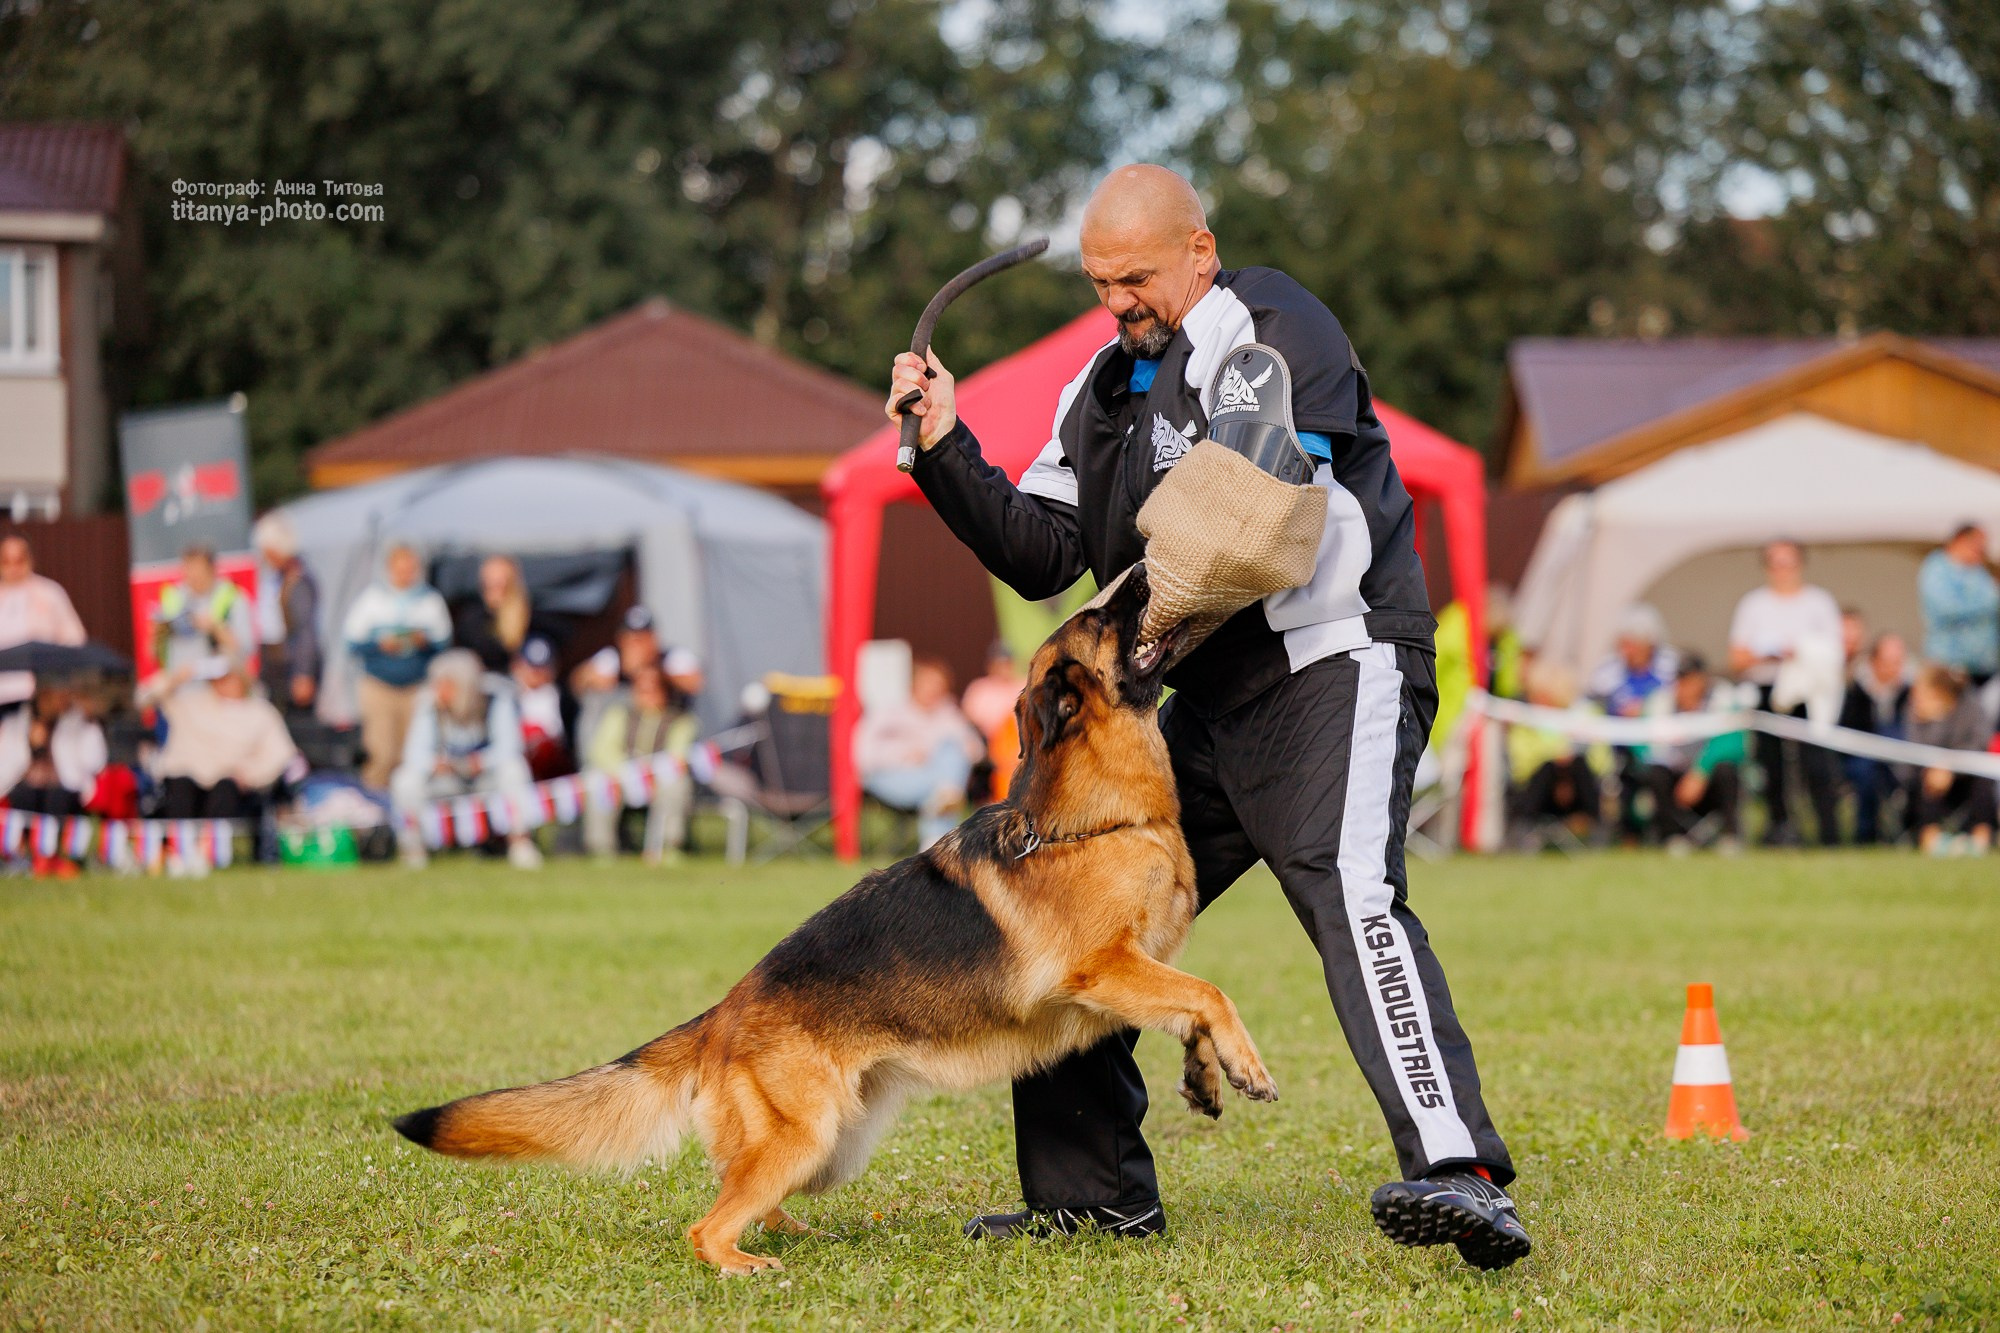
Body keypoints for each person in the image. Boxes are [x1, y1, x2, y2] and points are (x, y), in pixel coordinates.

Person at [887, 164, 1527, 1265]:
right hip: (1202, 702)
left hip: (1333, 662)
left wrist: (1125, 628)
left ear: (1199, 249)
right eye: (1098, 283)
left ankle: (1459, 1172)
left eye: (1134, 277)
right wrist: (945, 446)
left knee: (1349, 893)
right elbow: (1039, 553)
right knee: (1073, 904)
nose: (1116, 302)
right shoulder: (1097, 390)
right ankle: (1092, 1196)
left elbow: (1254, 512)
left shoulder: (1271, 326)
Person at [1728, 539, 1843, 846]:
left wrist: (1802, 653)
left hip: (1809, 693)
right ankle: (1779, 828)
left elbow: (1834, 653)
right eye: (1776, 563)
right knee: (1771, 765)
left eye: (1788, 562)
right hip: (1767, 690)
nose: (1782, 570)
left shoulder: (1819, 602)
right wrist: (1770, 653)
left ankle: (1828, 833)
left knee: (1816, 764)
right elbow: (1737, 657)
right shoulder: (1753, 605)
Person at [391, 649, 539, 870]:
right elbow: (414, 755)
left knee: (515, 769)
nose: (440, 691)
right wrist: (436, 764)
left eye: (446, 685)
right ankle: (413, 850)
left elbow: (510, 748)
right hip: (447, 781)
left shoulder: (495, 697)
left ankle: (520, 843)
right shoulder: (429, 702)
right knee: (404, 780)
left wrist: (481, 762)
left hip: (486, 778)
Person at [343, 543, 452, 790]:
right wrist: (379, 644)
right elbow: (352, 643)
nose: (405, 575)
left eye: (410, 569)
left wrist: (423, 641)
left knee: (413, 755)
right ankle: (376, 802)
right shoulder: (372, 599)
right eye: (400, 569)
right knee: (382, 754)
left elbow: (443, 642)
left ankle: (408, 806)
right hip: (379, 686)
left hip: (416, 687)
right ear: (389, 569)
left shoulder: (430, 600)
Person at [853, 656, 984, 850]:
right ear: (914, 683)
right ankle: (937, 841)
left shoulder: (947, 714)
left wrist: (950, 749)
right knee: (944, 789)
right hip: (891, 776)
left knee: (951, 751)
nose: (933, 689)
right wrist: (903, 755)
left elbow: (977, 750)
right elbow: (864, 755)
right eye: (928, 683)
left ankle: (934, 838)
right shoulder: (890, 711)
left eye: (938, 684)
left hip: (934, 776)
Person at [139, 663, 301, 819]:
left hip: (231, 787)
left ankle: (217, 838)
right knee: (181, 789)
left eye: (229, 677)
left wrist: (250, 776)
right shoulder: (190, 703)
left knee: (225, 791)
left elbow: (279, 756)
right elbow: (144, 698)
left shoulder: (261, 712)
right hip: (184, 782)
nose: (224, 683)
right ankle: (179, 837)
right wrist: (176, 678)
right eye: (219, 678)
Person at [1632, 655, 1746, 852]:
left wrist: (1701, 771)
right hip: (1675, 779)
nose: (1686, 687)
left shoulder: (1724, 699)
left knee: (1726, 769)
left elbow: (1734, 743)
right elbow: (1642, 743)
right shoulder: (1659, 702)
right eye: (1682, 680)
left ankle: (1729, 835)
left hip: (1708, 781)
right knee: (1657, 774)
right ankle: (1670, 836)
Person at [586, 663, 696, 864]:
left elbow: (679, 755)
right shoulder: (619, 715)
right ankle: (602, 849)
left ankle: (669, 845)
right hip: (623, 778)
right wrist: (625, 772)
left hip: (660, 780)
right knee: (599, 781)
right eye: (642, 689)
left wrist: (650, 773)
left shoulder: (681, 720)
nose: (647, 695)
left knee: (677, 784)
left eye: (653, 689)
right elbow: (601, 750)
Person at [1587, 603, 1679, 842]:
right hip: (1619, 748)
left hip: (1662, 748)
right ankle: (1626, 833)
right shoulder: (1608, 669)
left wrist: (1645, 709)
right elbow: (1592, 704)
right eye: (1623, 644)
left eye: (1632, 644)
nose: (1626, 651)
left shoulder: (1671, 666)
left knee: (1660, 776)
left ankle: (1667, 832)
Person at [1505, 660, 1605, 845]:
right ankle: (1525, 832)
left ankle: (1596, 830)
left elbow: (1602, 761)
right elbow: (1520, 764)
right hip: (1540, 788)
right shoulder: (1526, 720)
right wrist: (1556, 758)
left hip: (1579, 786)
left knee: (1579, 764)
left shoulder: (1586, 714)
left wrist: (1568, 763)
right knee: (1549, 767)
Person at [1902, 664, 1996, 856]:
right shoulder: (1914, 712)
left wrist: (1951, 767)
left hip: (1966, 774)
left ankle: (1981, 839)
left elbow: (1980, 744)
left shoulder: (1971, 707)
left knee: (1983, 781)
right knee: (1927, 781)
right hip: (1929, 776)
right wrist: (1933, 721)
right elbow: (1914, 752)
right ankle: (1931, 838)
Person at [1837, 632, 1911, 846]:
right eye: (1888, 662)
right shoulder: (1855, 691)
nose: (1894, 669)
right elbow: (1846, 732)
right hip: (1861, 760)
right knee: (1867, 773)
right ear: (1874, 662)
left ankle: (1908, 831)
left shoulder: (1909, 692)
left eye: (1898, 662)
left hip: (1899, 760)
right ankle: (1866, 834)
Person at [0, 533, 87, 712]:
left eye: (19, 560)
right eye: (6, 561)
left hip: (41, 693)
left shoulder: (50, 593)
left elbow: (74, 639)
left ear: (30, 559)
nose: (13, 568)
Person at [252, 512, 322, 715]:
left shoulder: (297, 580)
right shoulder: (276, 577)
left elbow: (306, 630)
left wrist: (303, 673)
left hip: (289, 666)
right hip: (274, 665)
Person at [152, 545, 254, 683]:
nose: (193, 577)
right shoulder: (173, 596)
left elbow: (245, 649)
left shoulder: (233, 597)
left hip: (219, 686)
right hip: (179, 685)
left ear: (212, 569)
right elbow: (153, 652)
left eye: (198, 571)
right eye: (188, 570)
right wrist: (158, 633)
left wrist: (215, 628)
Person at [1918, 523, 1999, 686]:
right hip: (1950, 665)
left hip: (1984, 666)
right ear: (1961, 540)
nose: (1981, 551)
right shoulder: (1937, 569)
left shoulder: (1978, 571)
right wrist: (1991, 601)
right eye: (1978, 545)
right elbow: (1946, 609)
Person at [455, 555, 547, 674]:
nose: (493, 588)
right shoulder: (471, 618)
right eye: (488, 583)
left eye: (499, 583)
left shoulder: (533, 619)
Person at [512, 636, 574, 781]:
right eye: (532, 668)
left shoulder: (563, 699)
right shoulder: (509, 697)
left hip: (552, 771)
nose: (536, 674)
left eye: (542, 669)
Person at [960, 641, 1026, 741]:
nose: (1003, 669)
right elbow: (967, 722)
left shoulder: (1024, 685)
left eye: (1006, 663)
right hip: (986, 741)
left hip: (1020, 740)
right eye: (998, 664)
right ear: (990, 665)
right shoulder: (978, 689)